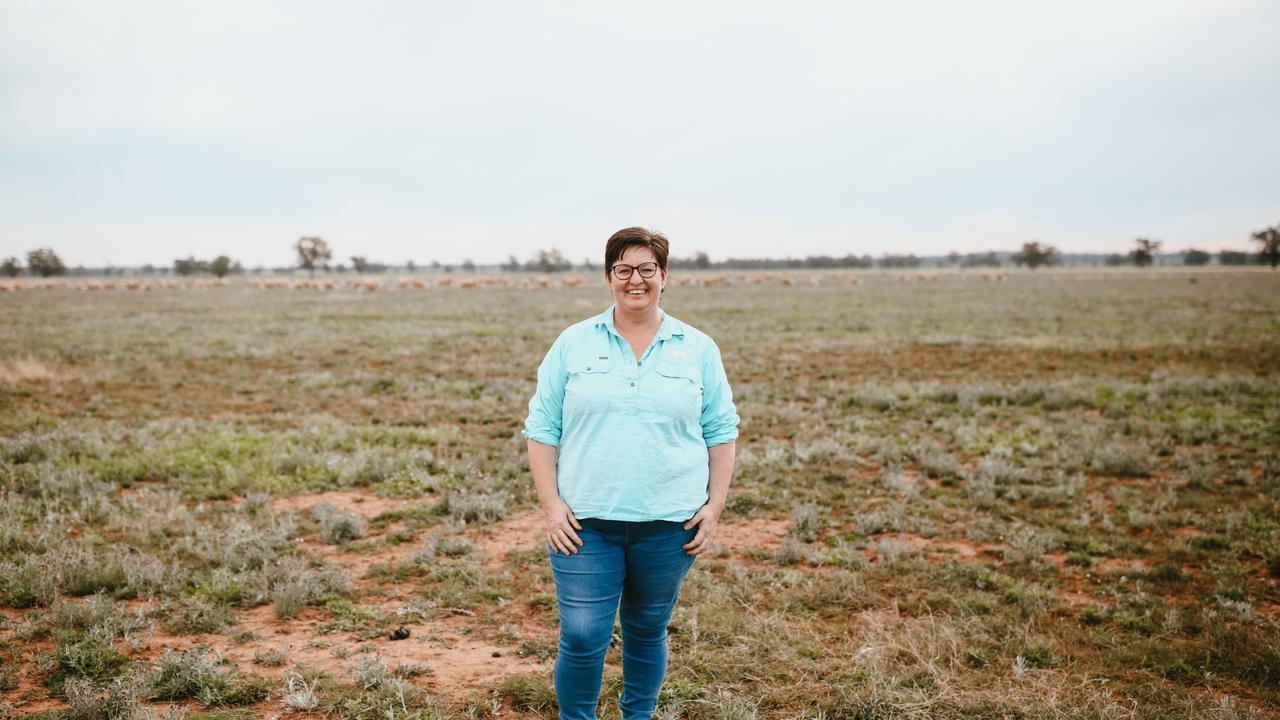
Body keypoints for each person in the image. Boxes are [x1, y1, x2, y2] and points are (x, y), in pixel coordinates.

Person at [522, 226, 739, 720]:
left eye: (647, 269)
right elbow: (541, 428)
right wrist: (552, 507)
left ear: (664, 277)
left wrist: (715, 508)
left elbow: (721, 429)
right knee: (582, 634)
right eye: (624, 269)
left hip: (669, 524)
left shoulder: (698, 347)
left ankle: (636, 715)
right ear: (608, 277)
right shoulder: (573, 343)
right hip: (584, 524)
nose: (635, 279)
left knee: (646, 630)